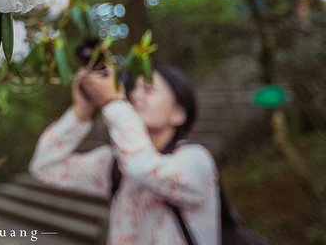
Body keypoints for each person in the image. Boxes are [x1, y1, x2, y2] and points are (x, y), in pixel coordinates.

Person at [29, 61, 220, 245]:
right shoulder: (113, 162)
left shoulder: (195, 161)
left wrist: (113, 102)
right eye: (134, 89)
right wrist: (82, 110)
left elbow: (143, 167)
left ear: (178, 113)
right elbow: (45, 167)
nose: (135, 96)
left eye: (148, 88)